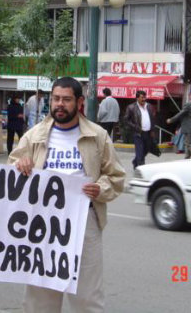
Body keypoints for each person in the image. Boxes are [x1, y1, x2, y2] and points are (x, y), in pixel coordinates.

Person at [8, 77, 125, 313]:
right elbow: (11, 170)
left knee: (87, 296)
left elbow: (116, 177)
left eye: (66, 100)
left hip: (84, 222)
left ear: (79, 102)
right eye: (56, 99)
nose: (60, 104)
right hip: (41, 224)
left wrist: (99, 189)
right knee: (40, 296)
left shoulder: (98, 136)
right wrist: (21, 165)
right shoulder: (34, 135)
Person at [166, 89, 191, 159]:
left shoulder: (189, 104)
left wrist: (171, 120)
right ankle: (187, 158)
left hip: (189, 128)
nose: (189, 96)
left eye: (190, 94)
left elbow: (180, 114)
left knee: (189, 143)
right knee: (190, 143)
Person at [124, 90, 156, 169]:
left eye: (145, 97)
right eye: (142, 97)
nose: (144, 99)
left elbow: (152, 119)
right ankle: (141, 167)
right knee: (140, 151)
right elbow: (126, 120)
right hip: (138, 132)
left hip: (148, 132)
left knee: (146, 150)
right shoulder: (131, 107)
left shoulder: (149, 106)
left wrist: (152, 130)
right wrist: (135, 127)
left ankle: (135, 161)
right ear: (137, 98)